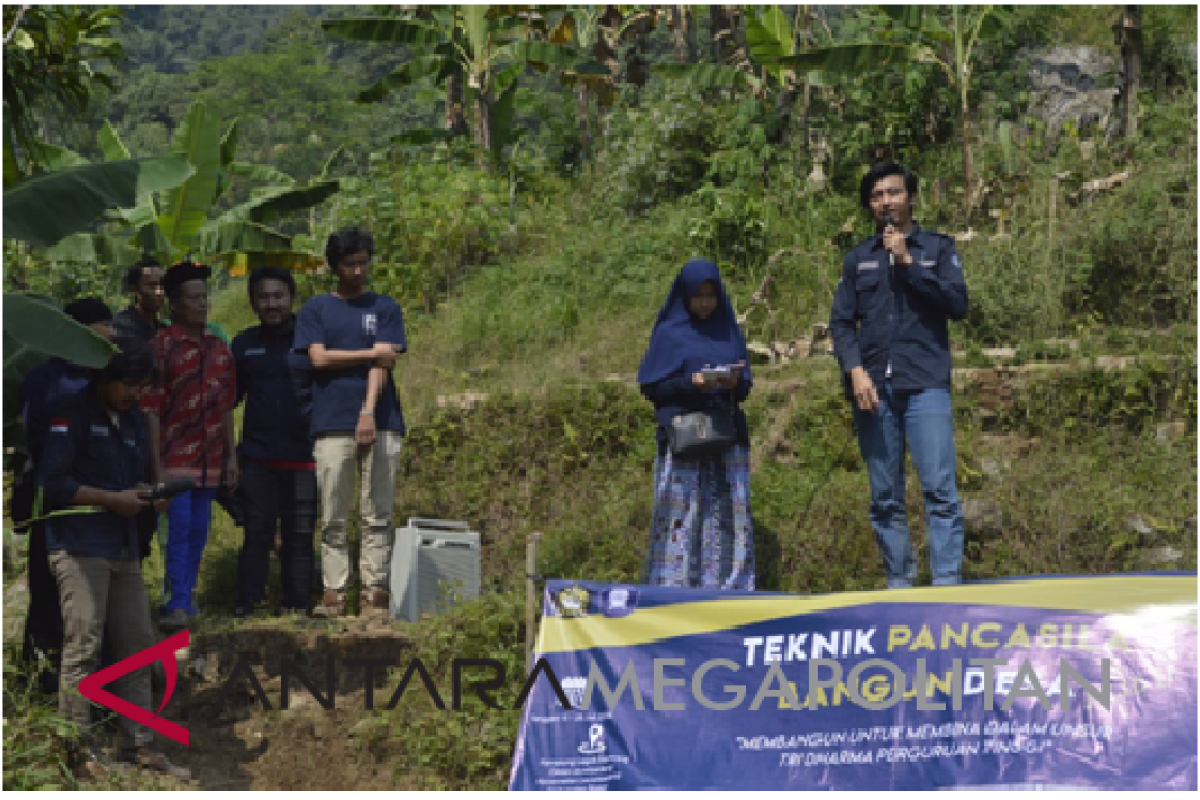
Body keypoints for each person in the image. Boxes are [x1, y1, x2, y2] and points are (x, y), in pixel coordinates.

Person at [39, 339, 188, 779]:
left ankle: (139, 743)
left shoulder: (134, 421)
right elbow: (55, 484)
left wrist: (147, 494)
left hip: (123, 546)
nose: (136, 394)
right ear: (105, 378)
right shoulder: (72, 412)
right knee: (83, 644)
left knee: (138, 645)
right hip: (80, 545)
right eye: (129, 385)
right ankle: (77, 749)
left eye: (143, 386)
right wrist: (112, 499)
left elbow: (132, 476)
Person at [828, 162, 969, 588]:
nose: (885, 202)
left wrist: (909, 263)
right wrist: (854, 371)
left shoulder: (938, 249)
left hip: (925, 384)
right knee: (885, 497)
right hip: (874, 391)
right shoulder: (859, 260)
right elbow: (840, 324)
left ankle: (946, 585)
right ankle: (900, 584)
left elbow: (958, 304)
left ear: (910, 196)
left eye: (892, 192)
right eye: (876, 196)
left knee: (940, 492)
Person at [294, 227, 406, 618]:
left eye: (362, 262)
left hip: (381, 419)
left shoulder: (386, 307)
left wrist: (368, 411)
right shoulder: (316, 310)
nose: (357, 271)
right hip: (330, 422)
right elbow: (319, 359)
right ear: (334, 266)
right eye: (349, 264)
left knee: (378, 512)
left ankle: (375, 592)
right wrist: (368, 352)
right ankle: (335, 593)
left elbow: (385, 363)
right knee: (334, 513)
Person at [17, 299, 116, 695]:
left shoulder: (107, 375)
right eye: (101, 326)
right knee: (52, 594)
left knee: (93, 600)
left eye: (111, 325)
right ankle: (45, 682)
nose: (110, 334)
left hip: (98, 502)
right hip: (60, 500)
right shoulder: (54, 380)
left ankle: (91, 685)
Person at [637, 260, 755, 590]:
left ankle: (728, 587)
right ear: (685, 296)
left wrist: (732, 382)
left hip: (726, 437)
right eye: (698, 296)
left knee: (727, 513)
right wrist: (692, 383)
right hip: (685, 439)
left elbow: (745, 386)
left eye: (711, 295)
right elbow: (653, 388)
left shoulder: (728, 330)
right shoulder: (670, 334)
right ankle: (673, 588)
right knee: (680, 515)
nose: (705, 303)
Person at [142, 261, 237, 630]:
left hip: (210, 458)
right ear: (175, 305)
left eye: (204, 296)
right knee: (176, 532)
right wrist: (156, 467)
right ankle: (174, 602)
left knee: (199, 530)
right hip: (173, 459)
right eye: (193, 298)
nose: (202, 304)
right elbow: (150, 409)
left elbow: (227, 404)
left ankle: (188, 596)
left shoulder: (219, 347)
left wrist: (231, 457)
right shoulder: (161, 347)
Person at [231, 267, 317, 617]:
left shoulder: (312, 340)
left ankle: (297, 606)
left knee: (299, 536)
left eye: (278, 296)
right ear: (253, 302)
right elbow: (227, 402)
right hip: (257, 458)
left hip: (305, 458)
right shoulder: (243, 344)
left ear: (291, 298)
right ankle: (247, 605)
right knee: (256, 533)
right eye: (264, 297)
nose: (272, 304)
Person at [112, 259, 166, 344]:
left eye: (162, 285)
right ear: (134, 289)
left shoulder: (164, 330)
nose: (159, 292)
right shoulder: (120, 326)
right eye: (151, 286)